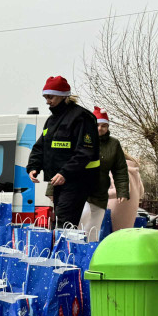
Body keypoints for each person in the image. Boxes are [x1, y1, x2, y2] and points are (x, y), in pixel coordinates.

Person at [26, 76, 100, 229]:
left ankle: (64, 252)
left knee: (65, 222)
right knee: (63, 220)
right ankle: (64, 250)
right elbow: (40, 147)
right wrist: (34, 166)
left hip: (77, 180)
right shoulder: (51, 121)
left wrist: (65, 173)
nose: (47, 101)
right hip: (59, 181)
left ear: (63, 96)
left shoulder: (82, 117)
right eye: (45, 97)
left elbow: (85, 152)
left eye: (50, 96)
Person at [80, 106, 129, 237]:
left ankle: (90, 252)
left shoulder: (114, 144)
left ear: (107, 127)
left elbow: (120, 169)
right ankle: (73, 250)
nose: (100, 128)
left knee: (94, 228)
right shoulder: (82, 139)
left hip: (100, 191)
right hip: (80, 189)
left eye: (103, 126)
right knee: (81, 221)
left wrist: (122, 191)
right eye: (97, 125)